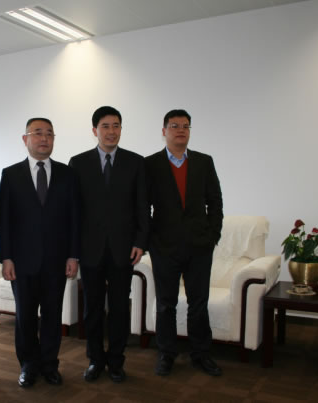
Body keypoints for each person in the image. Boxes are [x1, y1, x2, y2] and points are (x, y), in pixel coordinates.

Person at [69, 106, 148, 383]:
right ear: (95, 130)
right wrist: (73, 250)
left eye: (116, 126)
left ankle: (116, 361)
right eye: (105, 126)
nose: (111, 131)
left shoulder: (136, 162)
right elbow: (73, 210)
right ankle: (95, 360)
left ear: (121, 129)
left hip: (123, 249)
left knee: (119, 308)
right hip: (90, 249)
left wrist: (140, 242)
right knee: (91, 309)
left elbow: (142, 207)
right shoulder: (78, 163)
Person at [0, 117, 79, 387]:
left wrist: (73, 255)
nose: (44, 138)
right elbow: (4, 220)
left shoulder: (67, 174)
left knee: (53, 316)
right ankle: (28, 365)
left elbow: (74, 218)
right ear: (25, 139)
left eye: (49, 134)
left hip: (57, 260)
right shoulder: (10, 175)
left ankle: (50, 365)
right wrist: (6, 257)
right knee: (25, 317)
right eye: (38, 133)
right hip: (22, 262)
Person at [145, 109, 223, 377]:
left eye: (186, 126)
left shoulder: (204, 162)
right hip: (164, 248)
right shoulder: (150, 164)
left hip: (199, 246)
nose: (181, 130)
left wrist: (212, 236)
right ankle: (166, 354)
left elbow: (215, 202)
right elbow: (142, 206)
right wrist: (151, 240)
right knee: (165, 304)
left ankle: (201, 354)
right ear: (164, 131)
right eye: (175, 125)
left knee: (198, 303)